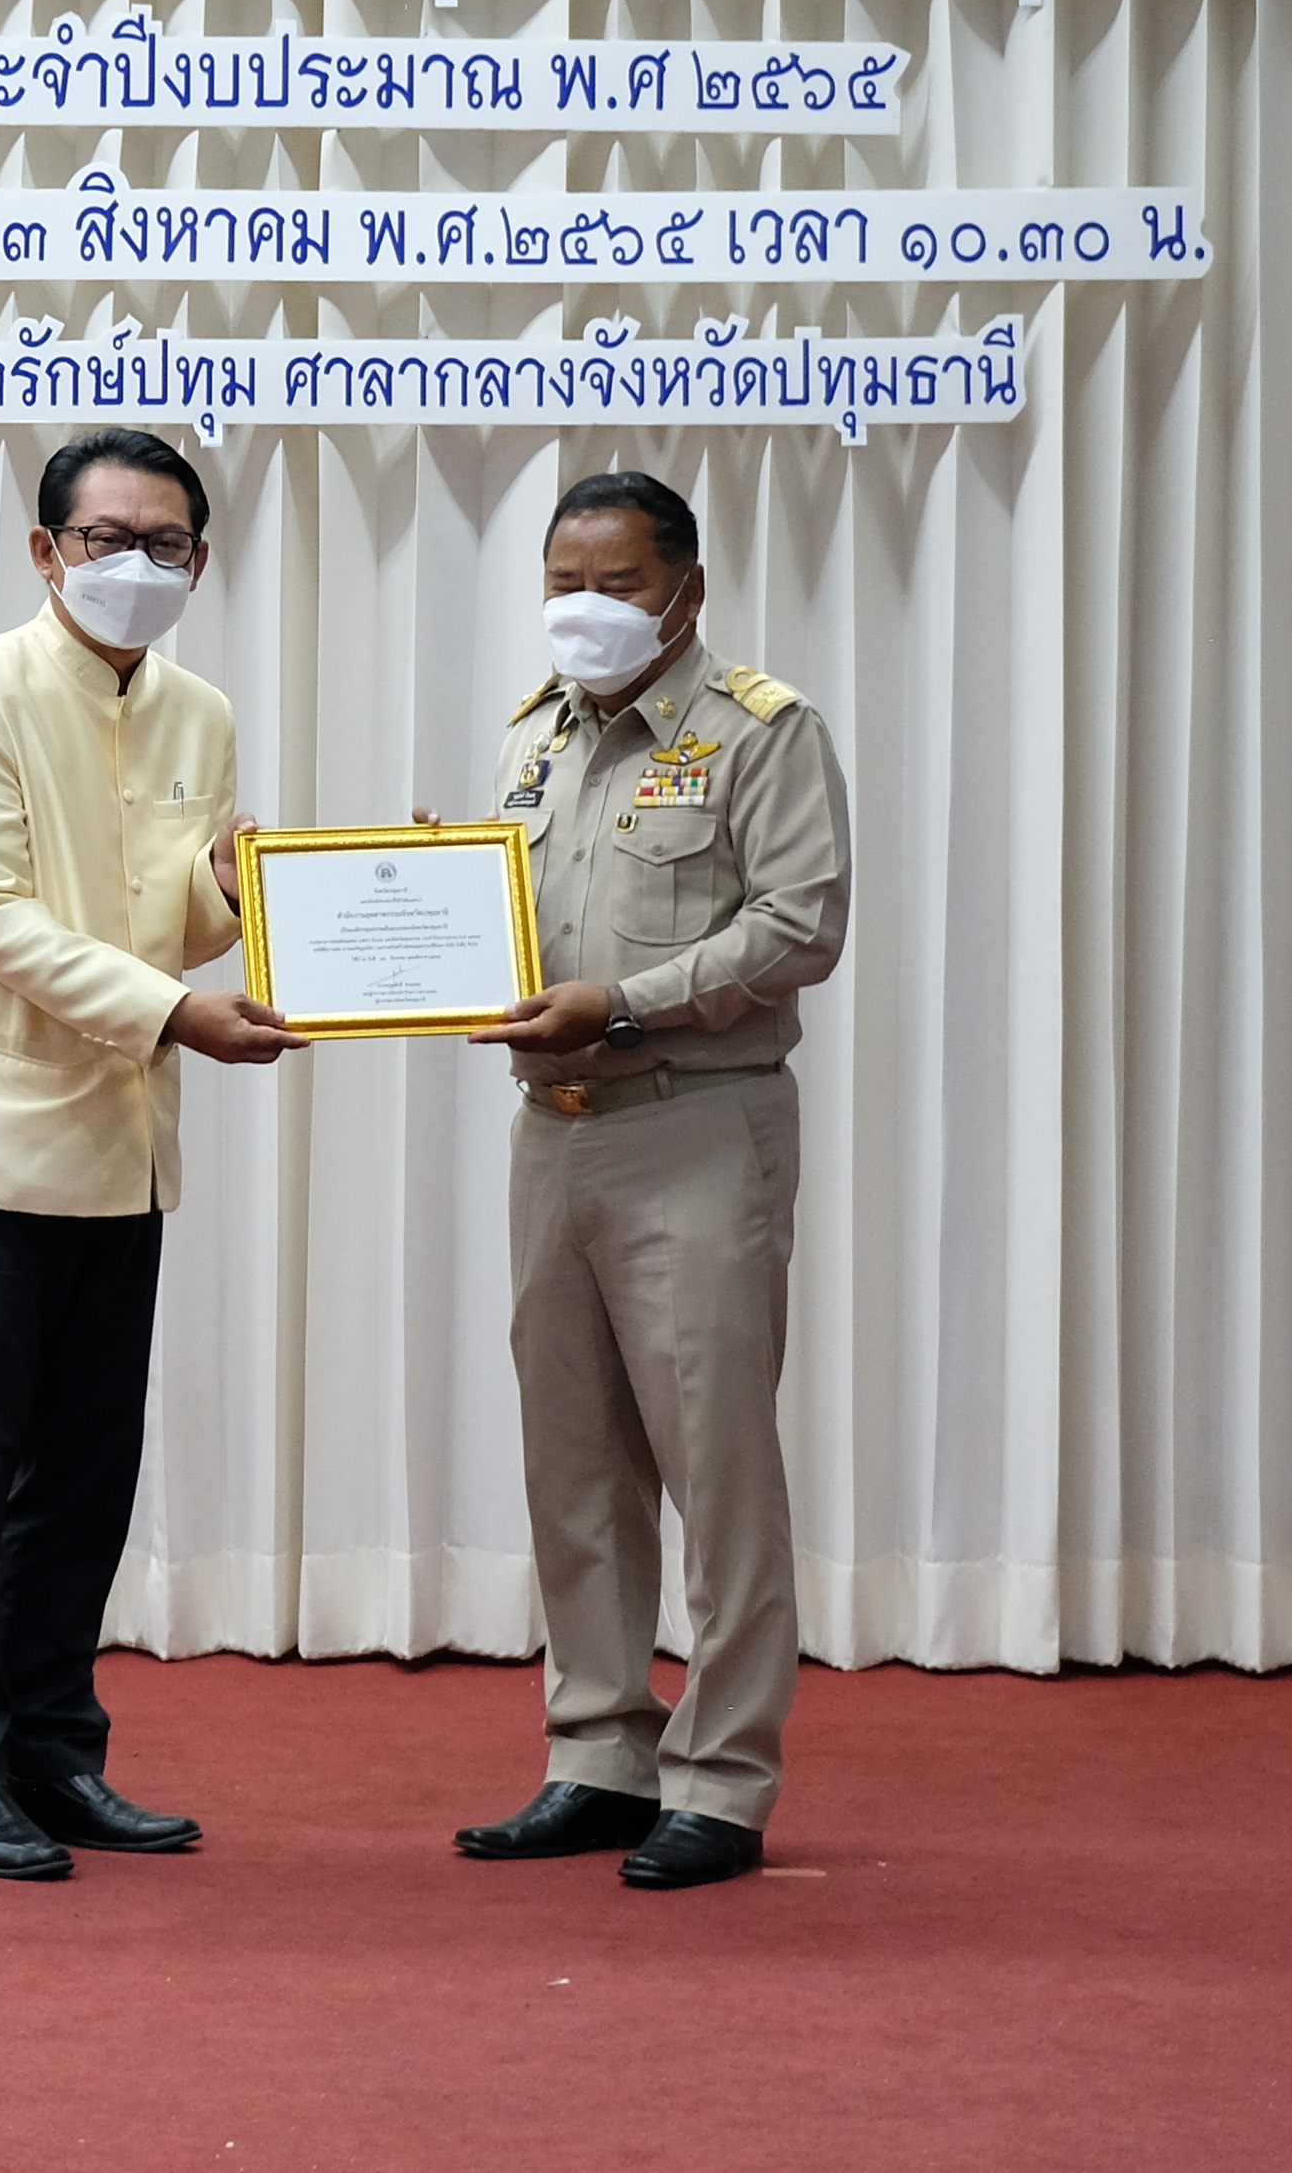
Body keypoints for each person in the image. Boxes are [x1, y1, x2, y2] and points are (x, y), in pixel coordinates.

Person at [0, 429, 298, 1882]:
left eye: (164, 543)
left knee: (83, 1482)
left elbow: (167, 914)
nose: (135, 563)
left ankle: (55, 1752)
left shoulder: (199, 710)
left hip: (125, 1153)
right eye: (105, 537)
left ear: (201, 560)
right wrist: (179, 1011)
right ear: (45, 548)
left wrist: (239, 894)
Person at [444, 472, 850, 1893]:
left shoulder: (759, 730)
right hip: (551, 1130)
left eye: (615, 583)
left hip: (694, 1123)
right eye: (564, 583)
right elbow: (509, 922)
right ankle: (599, 1756)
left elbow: (800, 925)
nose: (585, 608)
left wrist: (623, 1004)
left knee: (715, 1465)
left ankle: (722, 1778)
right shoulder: (536, 735)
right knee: (575, 1465)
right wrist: (427, 901)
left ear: (685, 586)